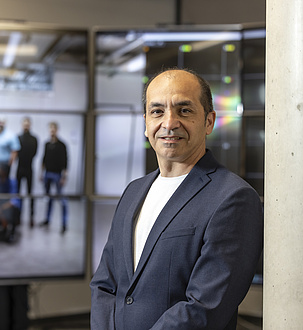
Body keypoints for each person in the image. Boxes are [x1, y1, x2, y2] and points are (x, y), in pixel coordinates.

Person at [90, 68, 263, 329]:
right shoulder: (133, 192)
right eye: (157, 111)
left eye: (184, 110)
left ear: (208, 121)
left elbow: (204, 308)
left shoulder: (233, 198)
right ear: (146, 123)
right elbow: (104, 284)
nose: (169, 123)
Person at [39, 122, 68, 234]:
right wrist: (41, 173)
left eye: (53, 129)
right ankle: (47, 220)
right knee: (49, 198)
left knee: (62, 200)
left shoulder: (62, 145)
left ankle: (64, 224)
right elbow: (43, 159)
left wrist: (64, 177)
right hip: (47, 174)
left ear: (57, 130)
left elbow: (65, 162)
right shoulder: (46, 144)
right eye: (50, 129)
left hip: (57, 175)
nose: (52, 131)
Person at [16, 117, 38, 227]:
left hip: (29, 168)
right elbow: (16, 152)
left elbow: (34, 153)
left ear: (30, 125)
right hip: (20, 168)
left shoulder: (34, 139)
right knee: (18, 194)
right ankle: (18, 217)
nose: (26, 125)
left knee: (30, 194)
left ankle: (31, 218)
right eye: (24, 123)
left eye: (27, 124)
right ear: (22, 125)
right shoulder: (18, 137)